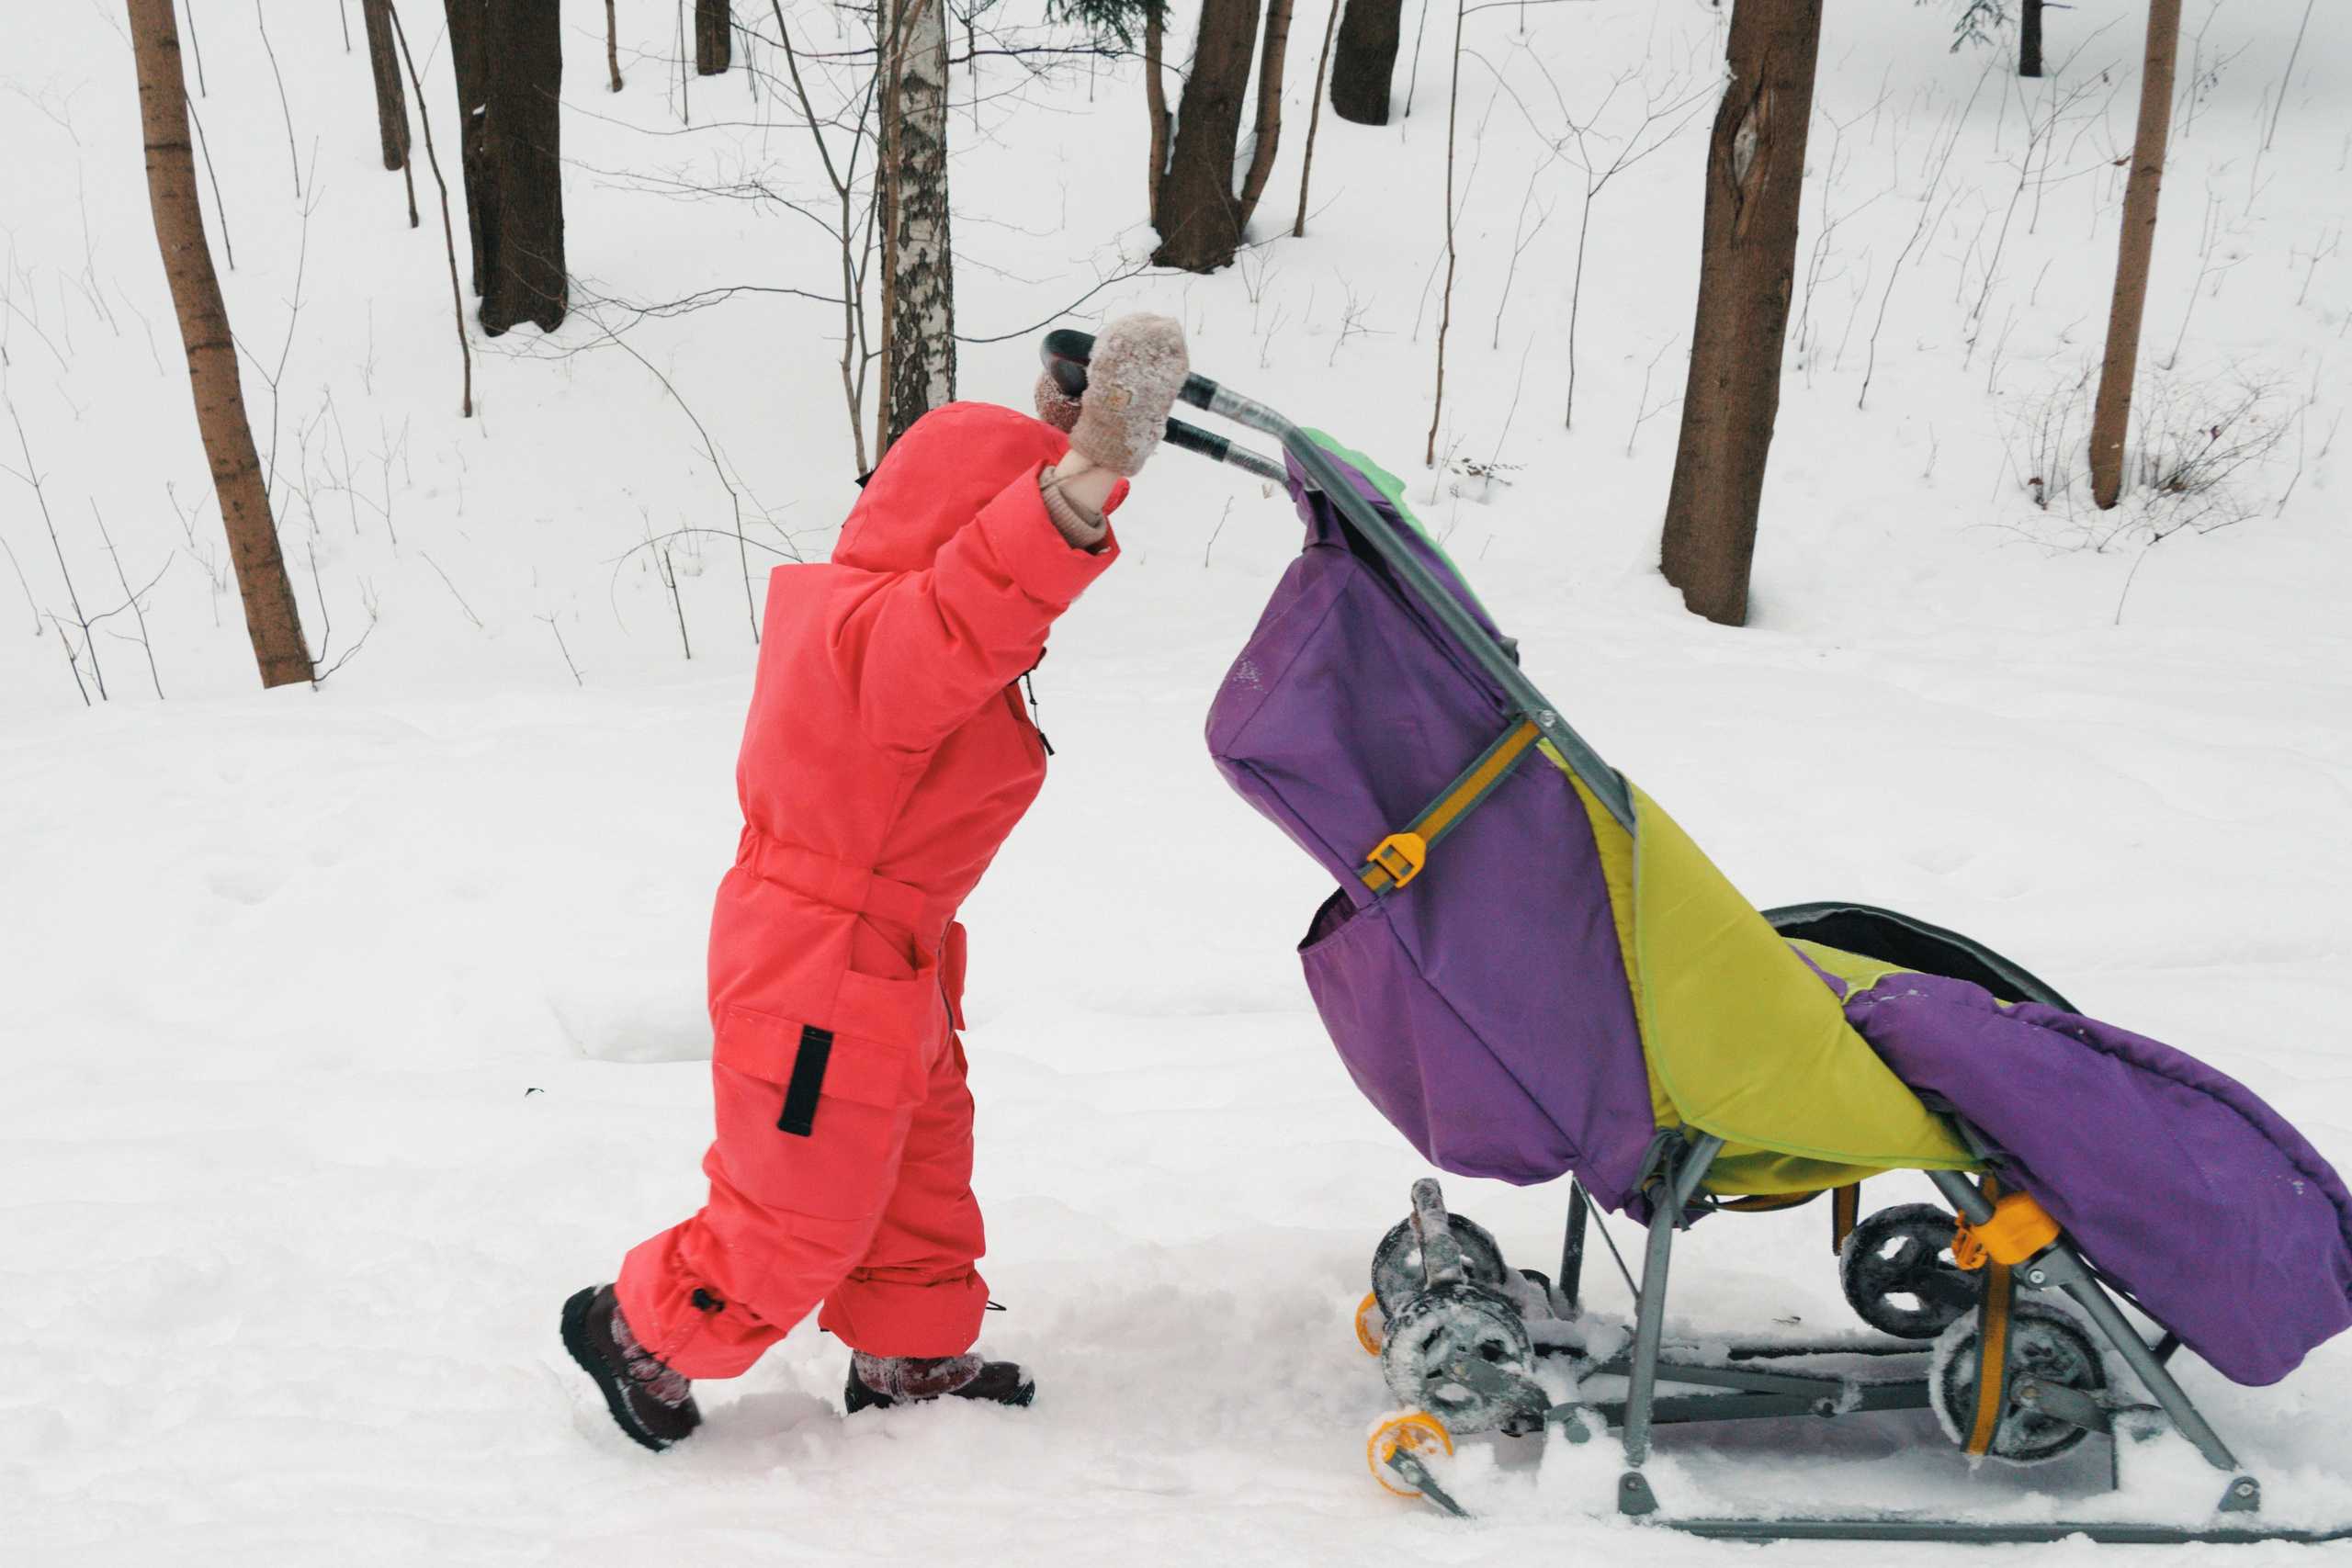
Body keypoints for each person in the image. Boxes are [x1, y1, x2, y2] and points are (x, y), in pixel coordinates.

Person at [560, 314, 1191, 1450]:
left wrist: (1060, 429)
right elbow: (978, 598)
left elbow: (974, 575)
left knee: (918, 1168)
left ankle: (909, 1356)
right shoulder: (876, 642)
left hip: (888, 952)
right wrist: (1090, 475)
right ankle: (642, 1330)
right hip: (816, 955)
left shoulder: (883, 624)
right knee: (799, 1204)